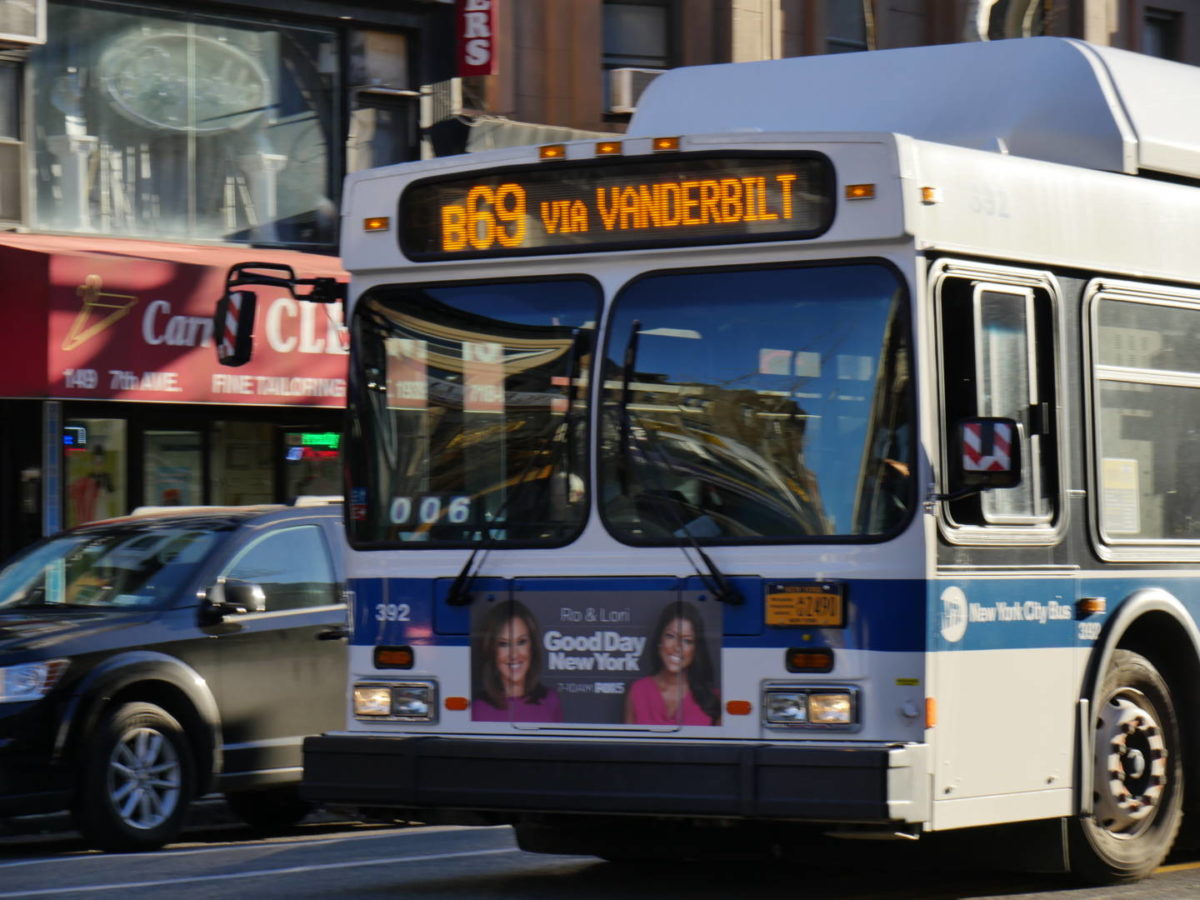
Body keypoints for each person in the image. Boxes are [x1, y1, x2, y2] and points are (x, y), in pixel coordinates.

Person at [625, 601, 720, 726]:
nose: (677, 647)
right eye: (670, 636)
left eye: (687, 641)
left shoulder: (713, 698)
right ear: (660, 639)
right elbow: (628, 744)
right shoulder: (638, 691)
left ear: (696, 649)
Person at [472, 600, 563, 722]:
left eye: (521, 642)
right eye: (503, 644)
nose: (514, 654)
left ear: (532, 646)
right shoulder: (477, 708)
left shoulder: (550, 700)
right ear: (491, 650)